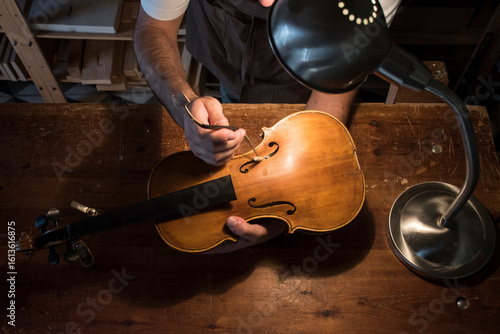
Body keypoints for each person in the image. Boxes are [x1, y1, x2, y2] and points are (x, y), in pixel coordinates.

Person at [134, 0, 401, 253]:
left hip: (300, 87)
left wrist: (285, 211)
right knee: (230, 98)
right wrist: (184, 106)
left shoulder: (367, 6)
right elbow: (154, 29)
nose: (263, 3)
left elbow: (338, 81)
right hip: (225, 56)